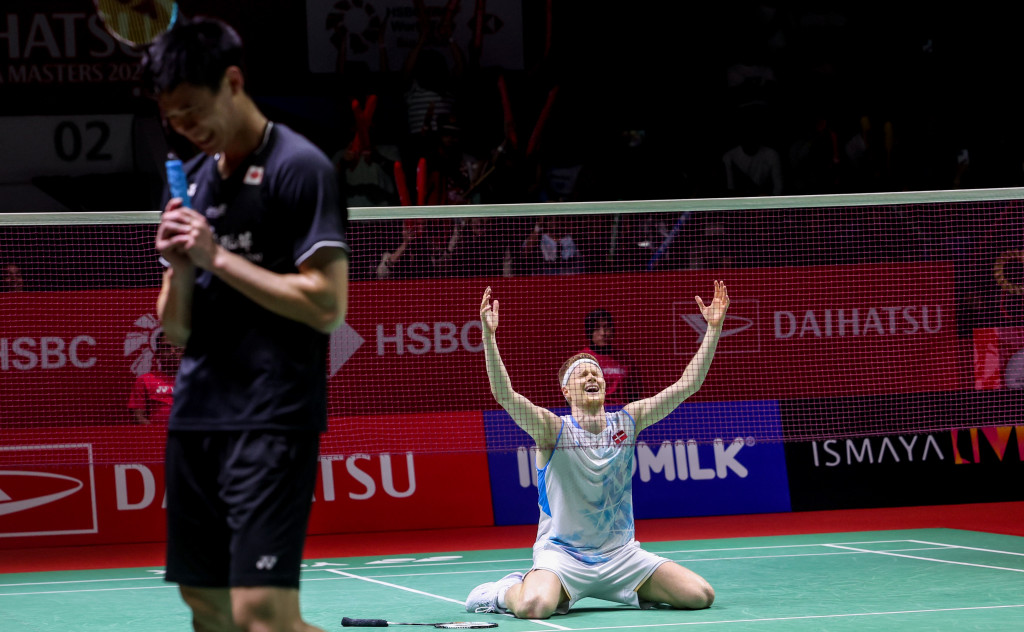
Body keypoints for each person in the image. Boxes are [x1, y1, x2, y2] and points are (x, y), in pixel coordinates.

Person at [142, 16, 349, 632]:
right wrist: (180, 267)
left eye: (192, 111)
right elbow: (176, 329)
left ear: (233, 81)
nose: (183, 128)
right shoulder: (193, 187)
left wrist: (216, 256)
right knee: (206, 606)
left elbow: (327, 304)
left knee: (261, 613)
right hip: (198, 414)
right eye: (171, 119)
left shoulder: (299, 167)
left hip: (272, 415)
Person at [468, 281, 728, 619]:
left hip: (621, 556)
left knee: (700, 595)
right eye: (582, 374)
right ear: (566, 391)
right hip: (563, 556)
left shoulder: (628, 421)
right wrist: (489, 337)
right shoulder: (551, 430)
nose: (593, 376)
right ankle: (503, 591)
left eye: (597, 372)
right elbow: (505, 395)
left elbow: (687, 385)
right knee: (534, 606)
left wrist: (714, 329)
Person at [578, 308, 640, 406]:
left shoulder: (624, 360)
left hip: (622, 414)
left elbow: (635, 395)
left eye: (606, 327)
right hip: (592, 415)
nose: (603, 333)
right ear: (589, 332)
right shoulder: (581, 360)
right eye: (597, 328)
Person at [127, 332, 180, 425]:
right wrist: (156, 433)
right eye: (167, 347)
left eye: (177, 347)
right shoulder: (145, 380)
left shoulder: (195, 381)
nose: (172, 352)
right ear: (158, 354)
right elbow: (138, 416)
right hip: (156, 437)